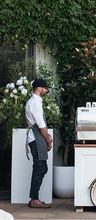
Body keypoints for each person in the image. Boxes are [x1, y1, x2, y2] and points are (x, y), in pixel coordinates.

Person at [25, 79, 53, 208]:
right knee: (39, 168)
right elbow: (41, 126)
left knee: (41, 168)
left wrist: (47, 137)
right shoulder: (35, 102)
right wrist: (47, 139)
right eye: (45, 88)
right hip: (36, 138)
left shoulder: (35, 101)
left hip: (36, 138)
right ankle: (34, 199)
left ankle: (34, 198)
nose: (46, 91)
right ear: (39, 88)